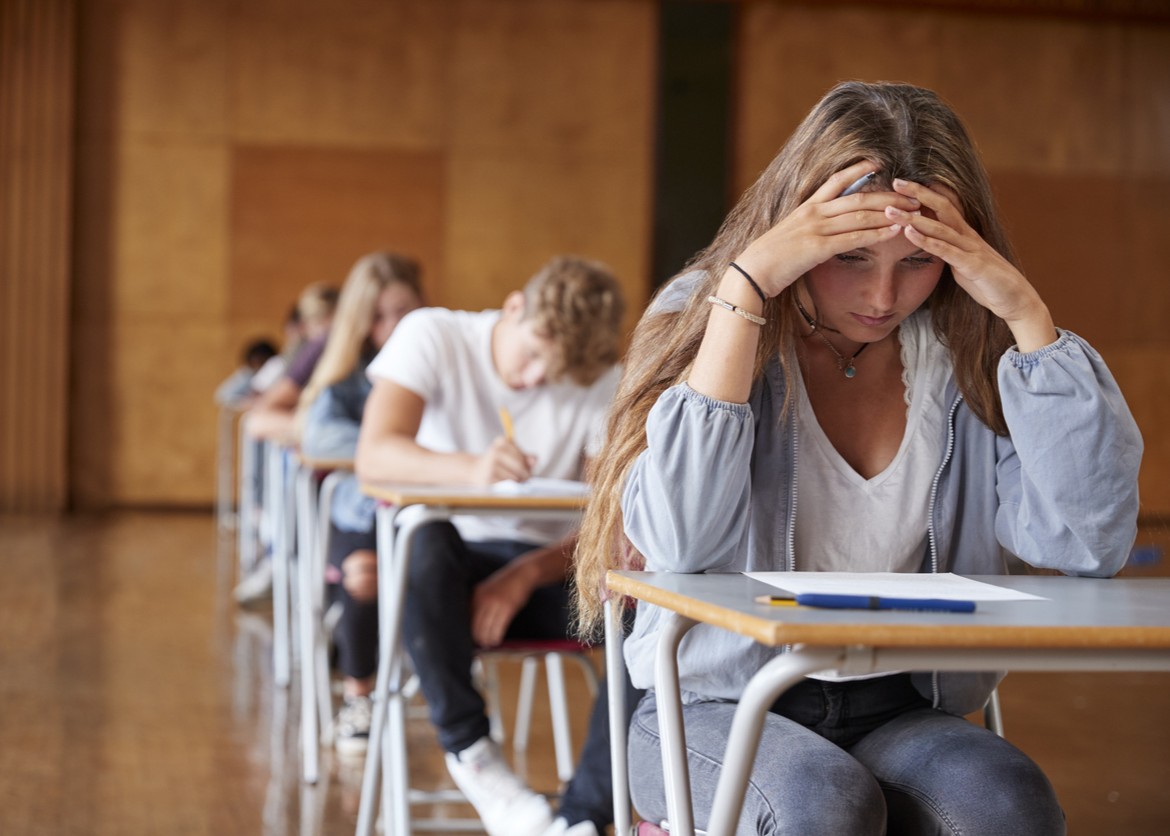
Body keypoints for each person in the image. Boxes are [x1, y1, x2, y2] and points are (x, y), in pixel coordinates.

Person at [573, 80, 1143, 835]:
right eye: (850, 257)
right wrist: (746, 287)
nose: (883, 295)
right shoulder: (704, 315)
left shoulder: (966, 349)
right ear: (793, 231)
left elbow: (1087, 543)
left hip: (901, 705)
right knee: (824, 804)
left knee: (1009, 803)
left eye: (917, 263)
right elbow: (680, 544)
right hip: (712, 705)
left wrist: (1026, 315)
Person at [355, 255, 628, 836]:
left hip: (545, 569)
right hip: (441, 576)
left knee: (642, 607)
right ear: (512, 307)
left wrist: (526, 574)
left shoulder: (599, 375)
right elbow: (374, 454)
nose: (534, 382)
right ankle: (475, 757)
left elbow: (611, 520)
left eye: (555, 375)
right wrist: (470, 468)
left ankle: (585, 814)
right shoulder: (434, 334)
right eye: (531, 356)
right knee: (425, 538)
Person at [296, 251, 424, 755]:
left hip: (424, 507)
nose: (393, 326)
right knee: (365, 571)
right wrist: (400, 449)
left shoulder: (436, 359)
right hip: (362, 511)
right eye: (380, 315)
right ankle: (359, 695)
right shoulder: (349, 377)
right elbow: (319, 437)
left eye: (403, 311)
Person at [234, 281, 340, 605]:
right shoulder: (315, 347)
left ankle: (280, 558)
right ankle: (279, 557)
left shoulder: (322, 344)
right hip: (321, 445)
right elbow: (266, 410)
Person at [214, 337, 278, 406]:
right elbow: (223, 396)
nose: (258, 366)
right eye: (256, 362)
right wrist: (249, 402)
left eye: (262, 361)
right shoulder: (247, 374)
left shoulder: (277, 371)